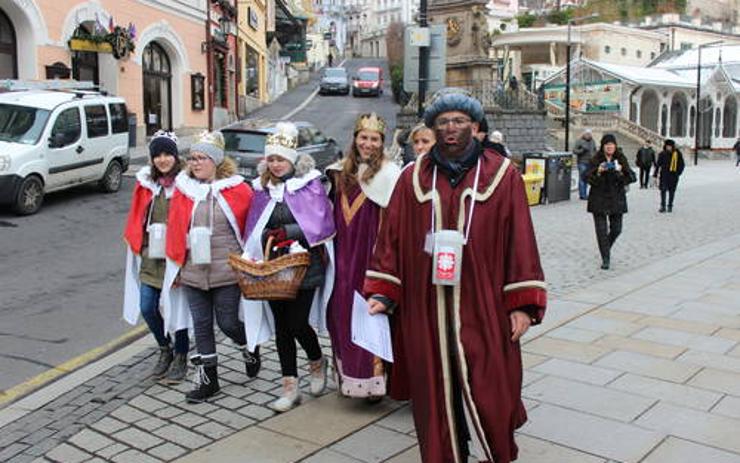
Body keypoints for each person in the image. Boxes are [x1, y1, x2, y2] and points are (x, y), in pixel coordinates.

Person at [363, 92, 547, 463]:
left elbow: (520, 241)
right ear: (433, 128)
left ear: (475, 127)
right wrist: (383, 291)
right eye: (443, 121)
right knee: (433, 391)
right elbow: (391, 240)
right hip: (424, 302)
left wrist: (523, 305)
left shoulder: (502, 174)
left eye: (459, 121)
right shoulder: (411, 178)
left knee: (491, 389)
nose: (450, 128)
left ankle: (496, 451)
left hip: (484, 302)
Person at [242, 122, 336, 412]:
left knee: (297, 323)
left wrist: (289, 233)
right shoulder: (261, 188)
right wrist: (261, 242)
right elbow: (255, 223)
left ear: (291, 159)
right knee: (282, 328)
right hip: (274, 269)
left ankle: (317, 360)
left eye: (280, 159)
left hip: (305, 266)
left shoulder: (308, 185)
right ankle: (290, 386)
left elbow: (321, 223)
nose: (275, 164)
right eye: (271, 159)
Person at [165, 131, 260, 403]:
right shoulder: (183, 191)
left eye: (202, 158)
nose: (195, 163)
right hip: (194, 271)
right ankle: (209, 380)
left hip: (226, 271)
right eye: (192, 158)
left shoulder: (237, 190)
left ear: (216, 161)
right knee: (202, 325)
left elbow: (250, 229)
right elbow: (174, 230)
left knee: (228, 322)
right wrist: (174, 268)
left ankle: (248, 346)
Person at [326, 113, 401, 402]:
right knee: (341, 314)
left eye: (374, 139)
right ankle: (348, 376)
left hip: (370, 255)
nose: (368, 143)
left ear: (382, 142)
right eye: (363, 137)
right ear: (355, 139)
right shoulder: (338, 172)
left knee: (369, 315)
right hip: (342, 254)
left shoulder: (390, 174)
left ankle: (373, 382)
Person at [123, 131, 190, 384]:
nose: (162, 160)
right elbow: (137, 216)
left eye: (167, 154)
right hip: (150, 256)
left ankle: (182, 354)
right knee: (147, 308)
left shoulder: (186, 185)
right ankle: (165, 348)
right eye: (157, 155)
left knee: (178, 311)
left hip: (175, 258)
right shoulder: (147, 185)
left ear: (175, 156)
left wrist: (185, 262)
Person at [585, 133, 636, 270]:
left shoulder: (620, 158)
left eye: (611, 145)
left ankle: (605, 247)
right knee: (601, 231)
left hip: (616, 199)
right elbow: (586, 177)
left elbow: (631, 177)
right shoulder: (596, 159)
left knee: (617, 229)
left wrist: (620, 171)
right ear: (603, 146)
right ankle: (605, 258)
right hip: (599, 199)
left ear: (615, 146)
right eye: (607, 145)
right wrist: (598, 171)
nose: (609, 147)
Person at [654, 139, 685, 213]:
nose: (668, 148)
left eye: (670, 146)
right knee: (663, 190)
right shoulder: (662, 154)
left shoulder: (677, 154)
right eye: (667, 146)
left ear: (672, 146)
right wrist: (655, 174)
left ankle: (670, 205)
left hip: (673, 175)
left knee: (672, 191)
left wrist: (678, 173)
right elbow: (658, 165)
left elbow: (681, 164)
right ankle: (663, 206)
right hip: (664, 175)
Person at [573, 129, 596, 200]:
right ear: (584, 134)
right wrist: (582, 150)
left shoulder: (593, 141)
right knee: (582, 178)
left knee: (586, 178)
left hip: (590, 162)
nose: (588, 135)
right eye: (587, 134)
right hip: (582, 162)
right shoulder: (579, 141)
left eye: (589, 134)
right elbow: (574, 150)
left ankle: (585, 193)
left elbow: (594, 150)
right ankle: (582, 195)